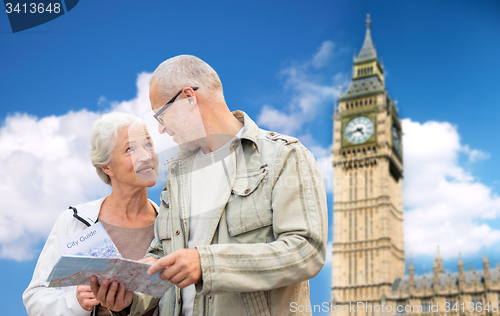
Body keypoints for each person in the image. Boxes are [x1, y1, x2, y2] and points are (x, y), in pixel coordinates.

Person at [91, 55, 328, 316]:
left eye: (161, 115)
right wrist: (130, 298)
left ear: (188, 98)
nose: (160, 130)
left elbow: (306, 250)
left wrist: (208, 264)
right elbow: (161, 255)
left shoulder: (284, 156)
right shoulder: (177, 174)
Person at [23, 112, 161, 316]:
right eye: (130, 149)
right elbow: (35, 298)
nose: (146, 156)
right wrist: (76, 303)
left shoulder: (170, 225)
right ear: (107, 167)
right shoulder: (73, 222)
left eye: (148, 144)